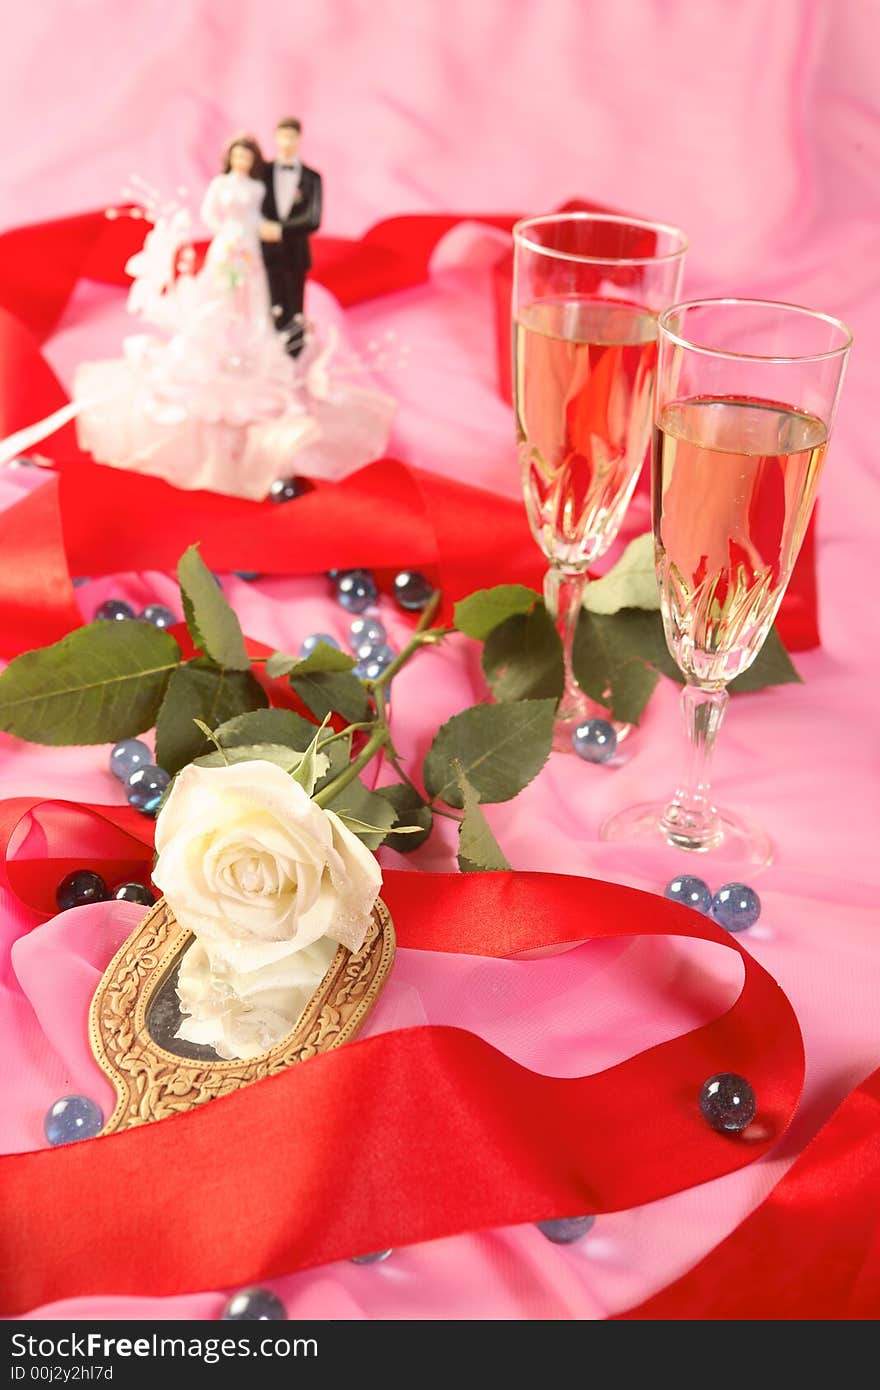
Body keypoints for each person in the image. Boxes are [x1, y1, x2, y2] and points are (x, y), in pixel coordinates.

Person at [260, 117, 323, 356]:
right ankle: (271, 355)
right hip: (267, 252)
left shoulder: (311, 178)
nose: (287, 142)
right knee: (270, 303)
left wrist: (281, 230)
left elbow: (313, 219)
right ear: (276, 137)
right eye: (283, 136)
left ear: (299, 139)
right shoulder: (262, 173)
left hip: (296, 253)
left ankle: (295, 358)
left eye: (292, 137)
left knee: (295, 305)